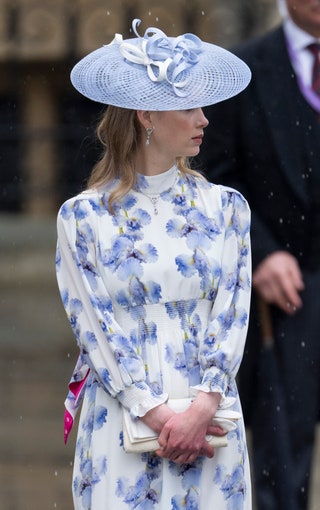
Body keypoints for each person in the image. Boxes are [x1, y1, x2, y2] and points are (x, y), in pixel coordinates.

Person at [55, 18, 252, 510]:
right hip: (124, 417)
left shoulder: (226, 208)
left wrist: (202, 406)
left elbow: (233, 312)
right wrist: (157, 415)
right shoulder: (83, 218)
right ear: (147, 114)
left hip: (212, 419)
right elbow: (94, 326)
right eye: (189, 106)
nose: (204, 119)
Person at [198, 1, 320, 510]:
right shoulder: (241, 72)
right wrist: (261, 254)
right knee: (280, 458)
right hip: (285, 301)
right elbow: (217, 177)